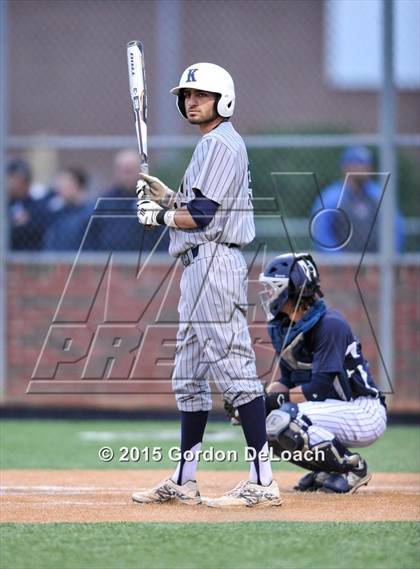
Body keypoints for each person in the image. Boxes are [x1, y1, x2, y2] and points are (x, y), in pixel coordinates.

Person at [132, 63, 281, 508]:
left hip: (214, 263)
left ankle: (262, 482)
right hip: (200, 266)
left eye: (202, 94)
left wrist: (157, 216)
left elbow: (202, 218)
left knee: (234, 368)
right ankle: (185, 479)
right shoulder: (214, 145)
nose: (192, 101)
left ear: (224, 100)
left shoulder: (219, 142)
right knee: (190, 376)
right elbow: (196, 207)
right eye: (187, 95)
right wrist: (167, 199)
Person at [258, 252, 387, 493]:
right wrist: (257, 399)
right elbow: (288, 381)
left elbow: (318, 388)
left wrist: (275, 401)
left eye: (273, 287)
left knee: (284, 419)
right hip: (333, 408)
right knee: (262, 420)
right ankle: (329, 468)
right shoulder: (286, 326)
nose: (268, 293)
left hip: (362, 410)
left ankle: (352, 468)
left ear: (294, 288)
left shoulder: (330, 324)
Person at [311, 146, 404, 252]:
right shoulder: (332, 196)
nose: (364, 168)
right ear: (346, 167)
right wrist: (336, 258)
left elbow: (396, 227)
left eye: (366, 164)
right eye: (358, 164)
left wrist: (390, 252)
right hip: (344, 262)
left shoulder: (377, 194)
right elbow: (320, 230)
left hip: (376, 260)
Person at [87, 149, 168, 252]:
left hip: (146, 261)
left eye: (130, 171)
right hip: (110, 261)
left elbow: (164, 238)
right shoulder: (106, 201)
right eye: (123, 171)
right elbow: (93, 234)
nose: (126, 176)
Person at [42, 167, 93, 251]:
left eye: (64, 185)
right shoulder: (58, 213)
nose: (59, 189)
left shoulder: (91, 213)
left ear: (77, 184)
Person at [7, 158, 49, 250]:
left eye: (16, 178)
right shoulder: (6, 205)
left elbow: (39, 229)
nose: (11, 183)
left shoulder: (37, 205)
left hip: (30, 255)